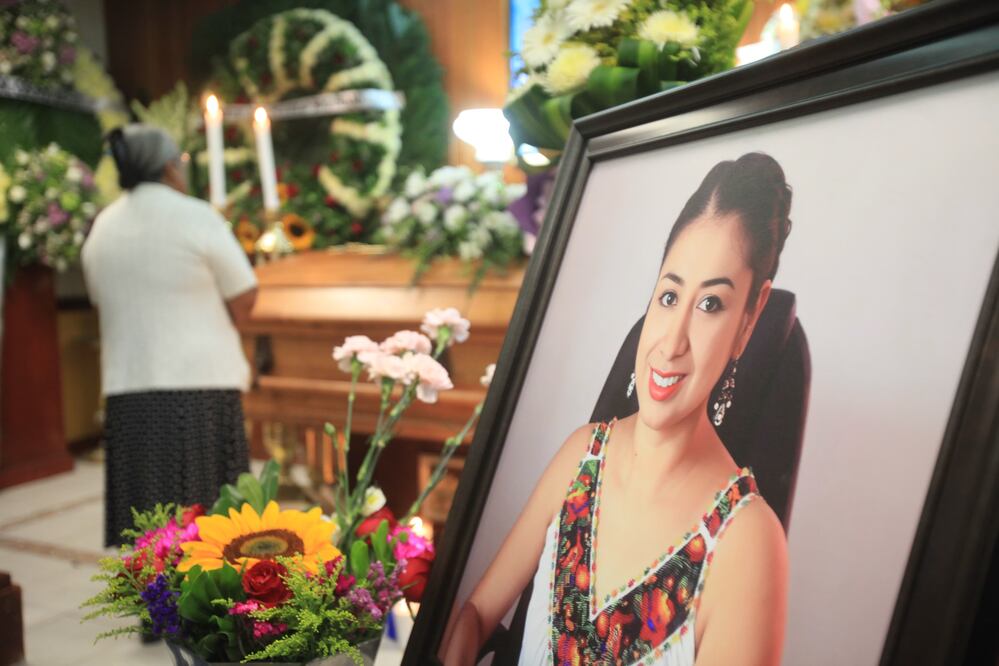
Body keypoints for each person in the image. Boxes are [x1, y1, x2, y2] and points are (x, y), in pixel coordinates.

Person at [442, 153, 793, 665]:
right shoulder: (582, 454)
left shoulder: (748, 544)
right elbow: (475, 614)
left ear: (750, 318)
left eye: (711, 304)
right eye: (670, 296)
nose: (671, 344)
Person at [82, 124, 258, 548]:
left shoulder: (102, 225)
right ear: (168, 167)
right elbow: (244, 294)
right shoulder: (194, 214)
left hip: (130, 398)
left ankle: (152, 608)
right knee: (211, 532)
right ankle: (207, 612)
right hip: (200, 392)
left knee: (149, 534)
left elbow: (99, 299)